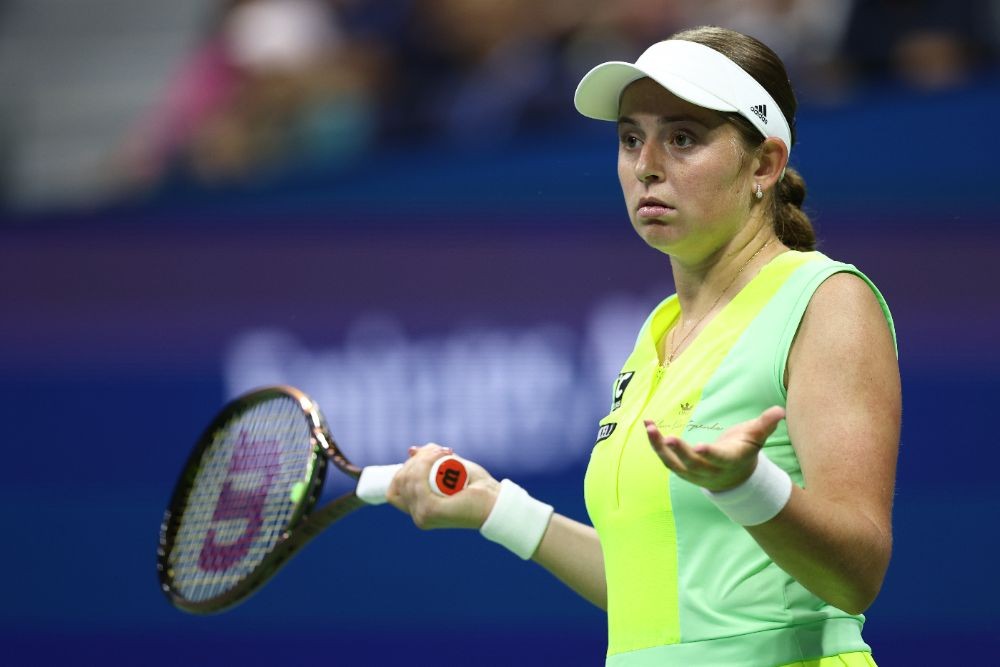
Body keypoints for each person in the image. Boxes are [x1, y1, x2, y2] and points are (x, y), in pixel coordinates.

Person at [384, 25, 900, 667]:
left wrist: (747, 486)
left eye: (682, 138)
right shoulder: (659, 329)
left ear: (764, 165)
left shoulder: (826, 300)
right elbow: (661, 594)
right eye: (631, 139)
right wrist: (496, 508)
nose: (646, 165)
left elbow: (857, 572)